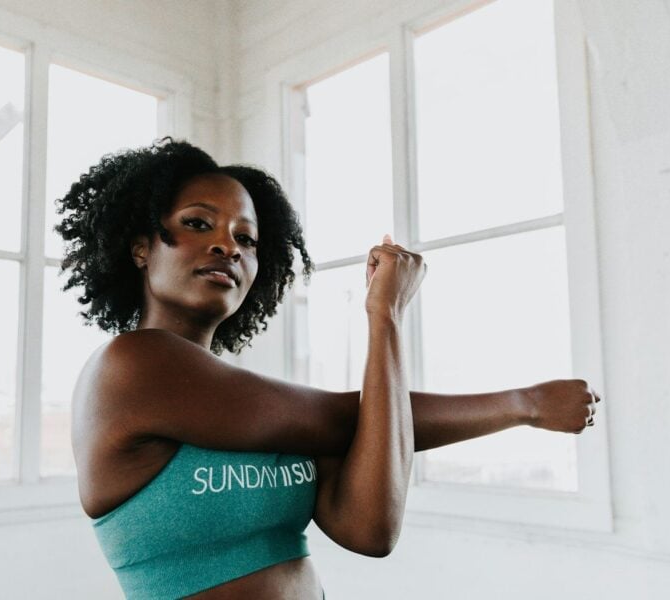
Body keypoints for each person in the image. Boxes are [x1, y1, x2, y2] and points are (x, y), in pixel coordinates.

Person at [53, 137, 601, 599]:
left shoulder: (256, 409)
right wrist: (520, 403)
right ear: (141, 249)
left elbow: (370, 529)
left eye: (246, 239)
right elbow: (349, 419)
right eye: (199, 223)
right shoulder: (134, 365)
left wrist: (386, 325)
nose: (227, 246)